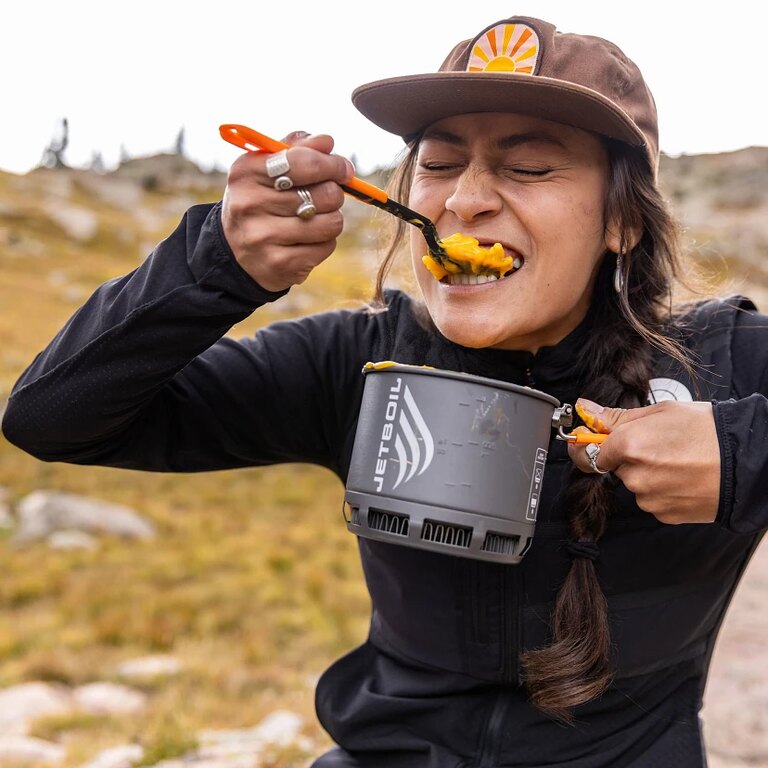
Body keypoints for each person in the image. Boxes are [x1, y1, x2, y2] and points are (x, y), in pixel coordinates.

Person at [3, 13, 767, 768]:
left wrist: (746, 454)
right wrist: (217, 267)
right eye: (439, 164)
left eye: (529, 167)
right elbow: (52, 416)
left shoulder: (720, 364)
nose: (464, 199)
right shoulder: (358, 360)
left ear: (623, 221)